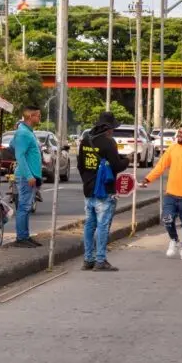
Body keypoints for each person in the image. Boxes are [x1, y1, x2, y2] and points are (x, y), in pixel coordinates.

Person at [140, 123, 182, 260]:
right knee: (167, 219)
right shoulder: (172, 149)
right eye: (179, 132)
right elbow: (160, 166)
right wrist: (148, 179)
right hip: (171, 194)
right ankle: (174, 239)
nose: (179, 135)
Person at [77, 111, 129, 271]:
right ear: (108, 128)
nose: (113, 131)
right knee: (103, 225)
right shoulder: (109, 143)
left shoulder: (85, 141)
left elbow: (80, 165)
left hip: (89, 189)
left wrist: (88, 180)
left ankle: (88, 259)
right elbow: (117, 165)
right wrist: (127, 160)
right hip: (104, 191)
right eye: (113, 128)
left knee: (89, 225)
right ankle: (100, 260)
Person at [12, 105, 42, 248]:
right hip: (25, 176)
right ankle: (21, 237)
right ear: (30, 116)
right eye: (38, 115)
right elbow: (20, 156)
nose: (39, 118)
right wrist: (29, 175)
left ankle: (25, 235)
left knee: (27, 206)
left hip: (30, 175)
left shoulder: (27, 132)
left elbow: (13, 145)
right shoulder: (23, 133)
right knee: (24, 207)